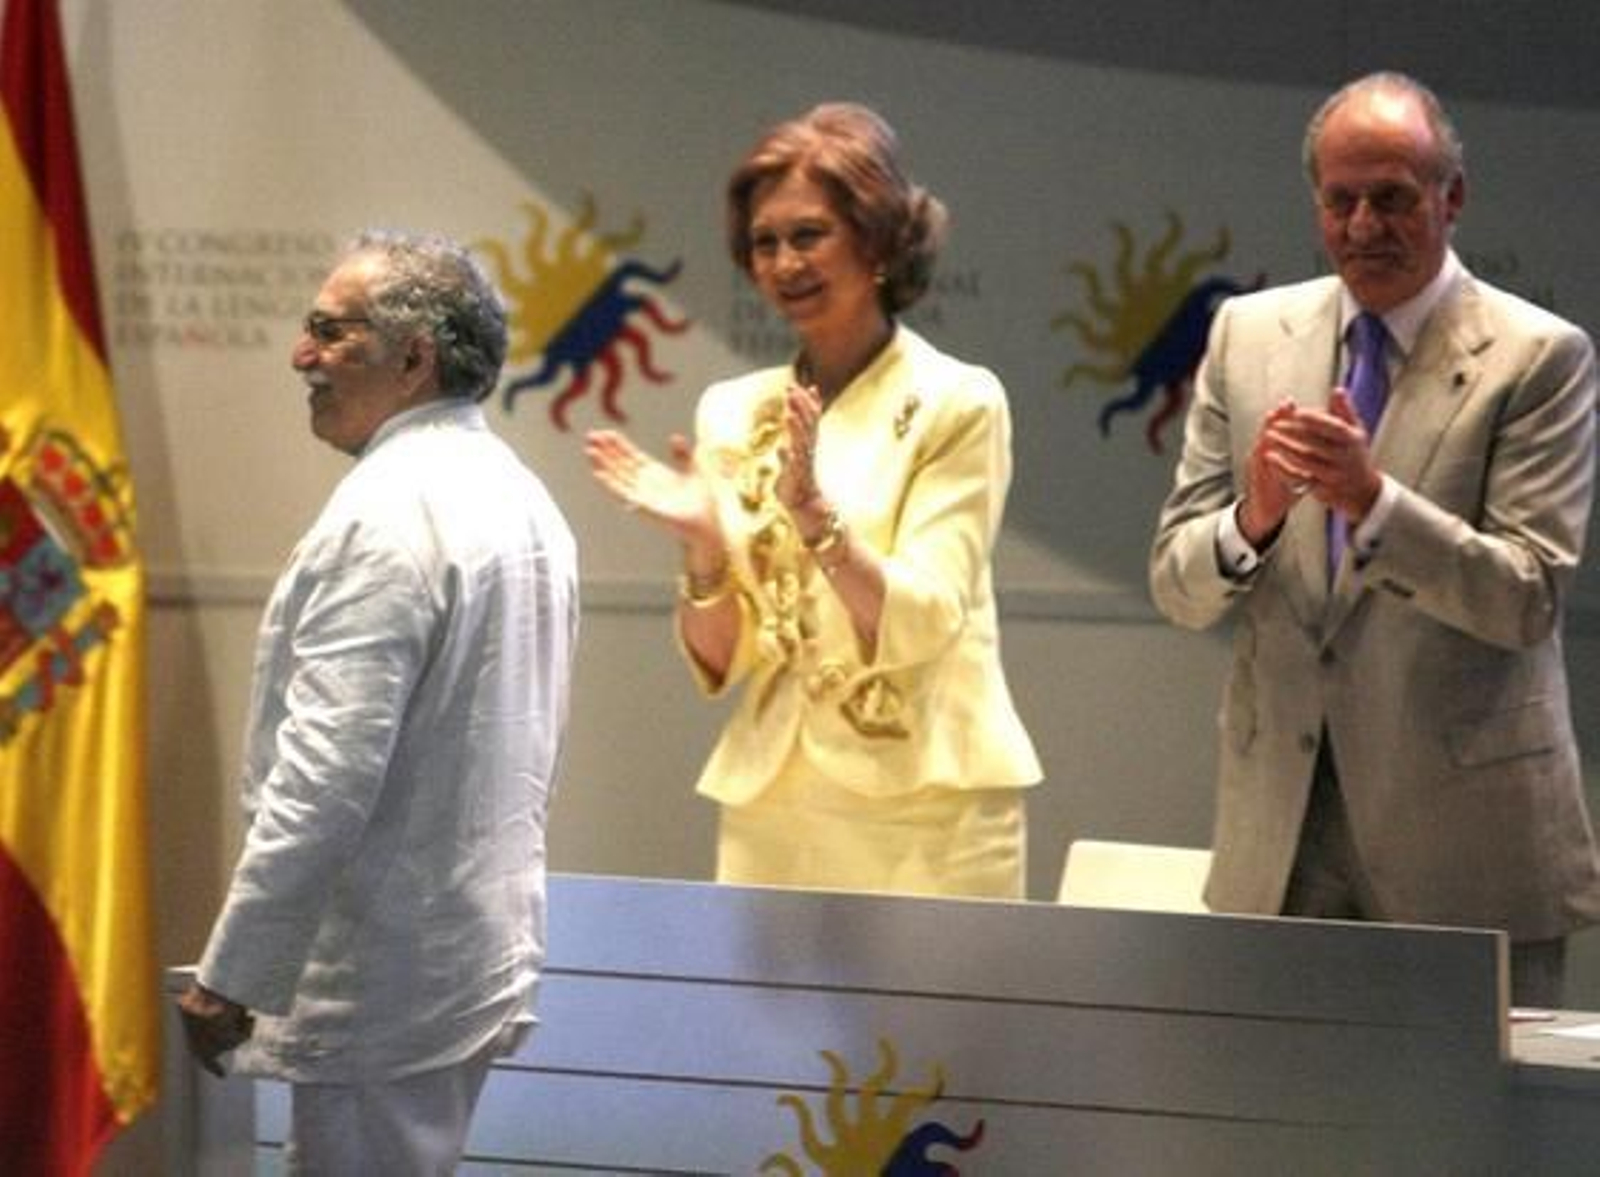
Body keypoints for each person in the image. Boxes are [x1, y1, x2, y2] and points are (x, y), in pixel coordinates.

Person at [1150, 71, 1600, 1007]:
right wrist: (1252, 519)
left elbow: (1525, 597)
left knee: (1474, 1107)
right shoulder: (1245, 334)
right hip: (1281, 842)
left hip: (1467, 849)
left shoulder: (1540, 357)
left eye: (1392, 198)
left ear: (1452, 197)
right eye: (1340, 201)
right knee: (1273, 1096)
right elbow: (1178, 585)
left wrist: (1373, 502)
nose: (1363, 226)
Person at [176, 230, 579, 1171]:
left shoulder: (385, 515)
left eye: (330, 331)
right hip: (468, 952)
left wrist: (236, 970)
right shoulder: (522, 497)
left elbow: (324, 776)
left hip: (381, 975)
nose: (301, 356)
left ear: (414, 358)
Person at [586, 102, 1040, 898]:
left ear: (878, 241)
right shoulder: (732, 411)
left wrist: (815, 520)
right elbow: (725, 660)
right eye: (764, 243)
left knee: (927, 997)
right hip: (770, 804)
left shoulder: (958, 400)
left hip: (928, 810)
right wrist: (704, 549)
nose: (784, 262)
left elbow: (927, 619)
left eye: (808, 235)